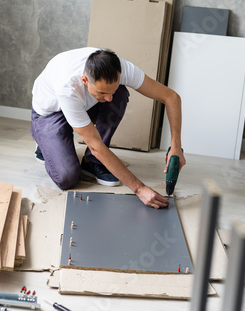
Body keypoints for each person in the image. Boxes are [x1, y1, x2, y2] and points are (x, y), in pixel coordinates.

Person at [30, 47, 185, 209]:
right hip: (51, 114)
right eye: (102, 92)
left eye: (112, 89)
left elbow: (171, 97)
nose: (109, 98)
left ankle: (92, 161)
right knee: (67, 177)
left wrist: (176, 145)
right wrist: (139, 189)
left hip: (82, 106)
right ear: (85, 80)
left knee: (120, 95)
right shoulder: (68, 88)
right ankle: (43, 141)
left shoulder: (120, 68)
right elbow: (95, 145)